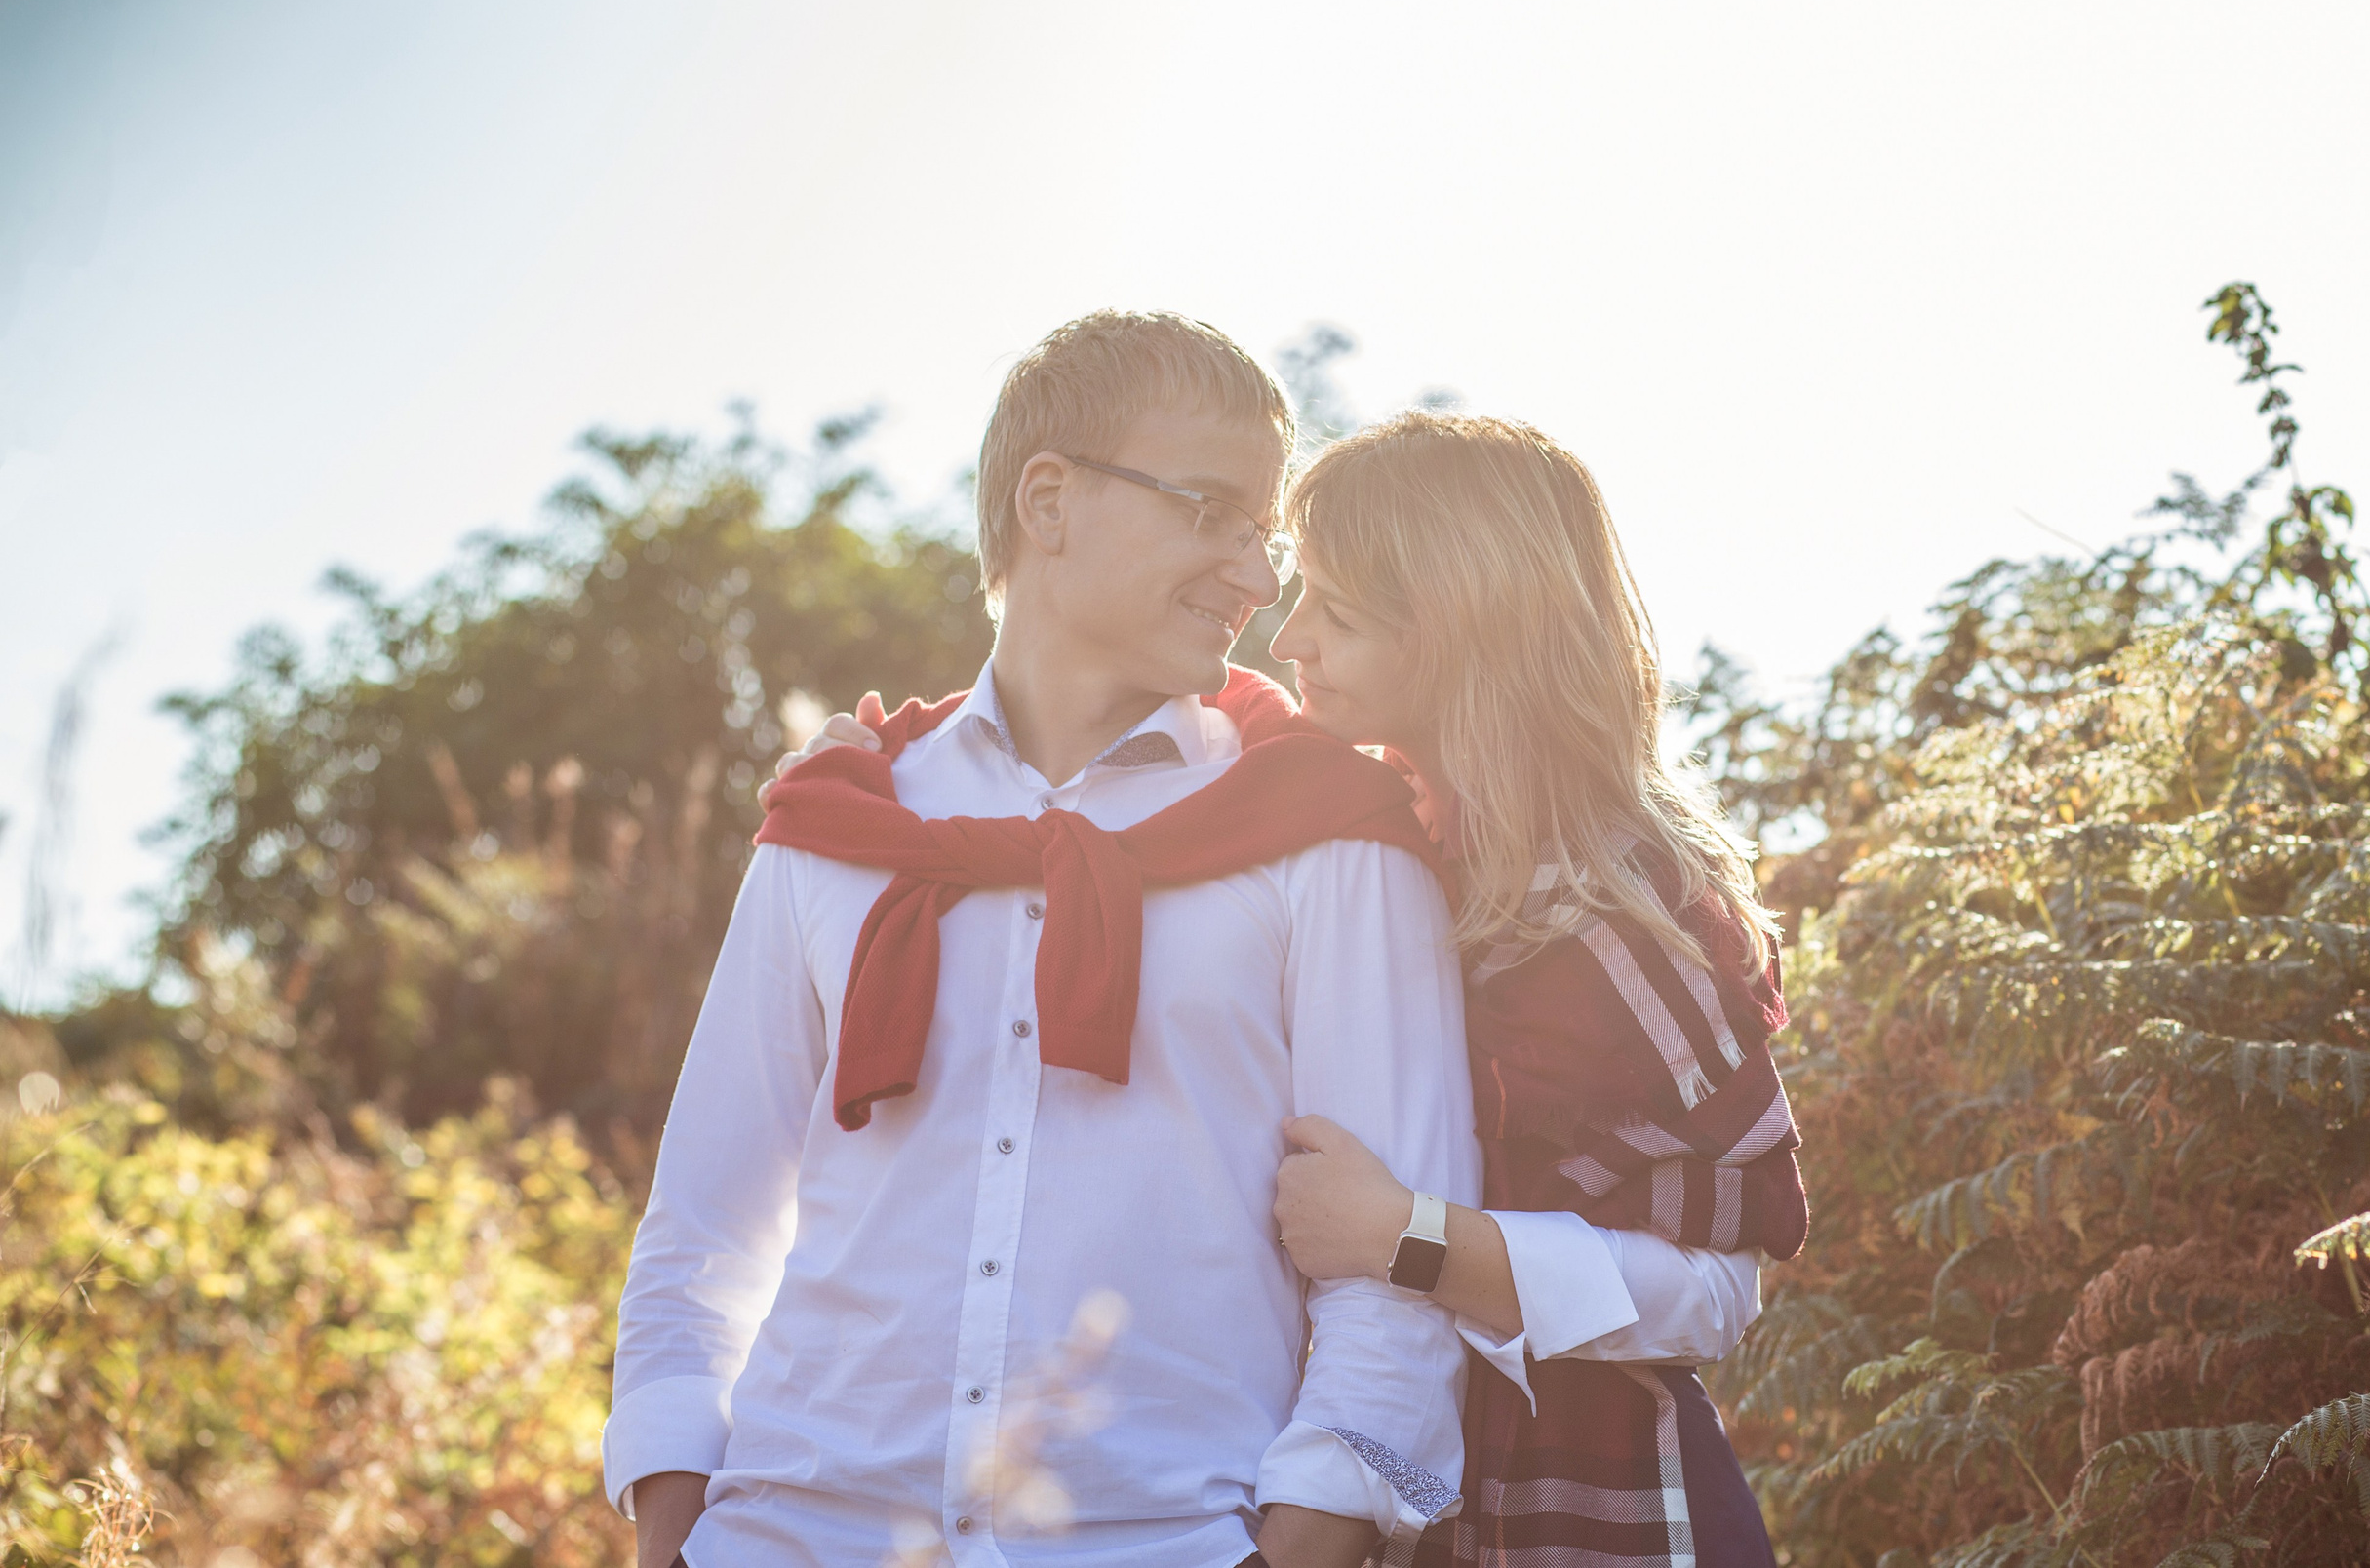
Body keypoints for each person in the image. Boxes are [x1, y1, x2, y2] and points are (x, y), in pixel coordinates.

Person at [790, 412, 1807, 1566]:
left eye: (1338, 612)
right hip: (1411, 1501)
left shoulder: (1607, 916)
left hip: (1591, 1512)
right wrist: (877, 772)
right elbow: (1179, 762)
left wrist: (1410, 1238)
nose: (1288, 639)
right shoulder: (1388, 839)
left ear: (1459, 638)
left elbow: (1717, 1295)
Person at [606, 311, 1481, 1568]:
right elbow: (703, 1230)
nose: (1254, 576)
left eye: (1263, 535)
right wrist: (674, 1528)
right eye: (1211, 511)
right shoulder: (837, 824)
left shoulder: (1326, 829)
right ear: (1050, 501)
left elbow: (1394, 1282)